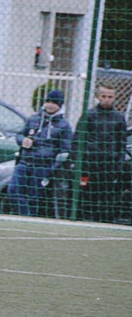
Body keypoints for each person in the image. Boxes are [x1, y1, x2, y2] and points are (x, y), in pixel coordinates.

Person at [9, 88, 73, 217]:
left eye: (54, 102)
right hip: (25, 161)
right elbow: (20, 134)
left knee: (34, 197)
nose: (50, 105)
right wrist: (23, 140)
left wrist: (52, 168)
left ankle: (29, 220)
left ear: (59, 106)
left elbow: (66, 149)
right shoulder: (33, 119)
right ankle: (24, 215)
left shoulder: (64, 125)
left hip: (43, 166)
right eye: (48, 101)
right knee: (13, 190)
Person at [75, 82, 127, 222]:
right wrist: (78, 161)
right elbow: (78, 140)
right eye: (104, 96)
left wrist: (118, 164)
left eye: (110, 96)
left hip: (108, 166)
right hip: (89, 165)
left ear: (114, 98)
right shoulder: (89, 115)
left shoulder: (119, 118)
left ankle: (102, 220)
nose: (107, 99)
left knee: (105, 196)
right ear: (98, 97)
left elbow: (121, 143)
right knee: (86, 194)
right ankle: (85, 219)